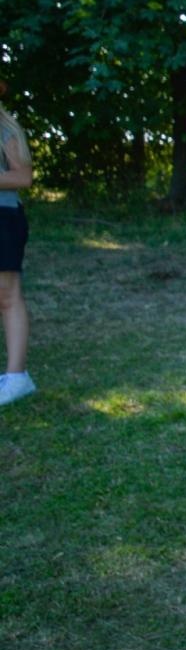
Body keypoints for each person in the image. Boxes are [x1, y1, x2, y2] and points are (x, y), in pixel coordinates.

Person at [0, 82, 35, 407]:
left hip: (3, 217)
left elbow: (23, 177)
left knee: (7, 297)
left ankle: (16, 378)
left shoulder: (5, 129)